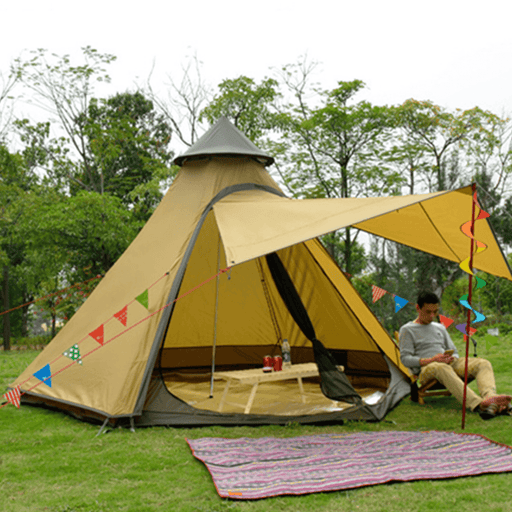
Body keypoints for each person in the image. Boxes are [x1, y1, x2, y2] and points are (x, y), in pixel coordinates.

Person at [399, 291, 511, 420]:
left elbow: (454, 350)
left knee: (482, 363)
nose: (432, 316)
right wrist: (431, 360)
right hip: (428, 370)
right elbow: (405, 359)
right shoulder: (407, 330)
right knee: (439, 366)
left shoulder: (439, 327)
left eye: (435, 312)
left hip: (448, 364)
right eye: (428, 312)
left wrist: (452, 358)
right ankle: (478, 404)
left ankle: (490, 397)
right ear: (418, 308)